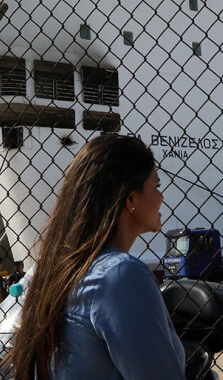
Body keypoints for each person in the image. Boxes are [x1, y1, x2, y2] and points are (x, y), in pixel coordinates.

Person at [5, 134, 186, 380]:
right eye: (156, 186)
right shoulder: (120, 274)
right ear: (130, 199)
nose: (161, 197)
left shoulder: (57, 269)